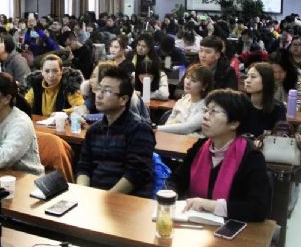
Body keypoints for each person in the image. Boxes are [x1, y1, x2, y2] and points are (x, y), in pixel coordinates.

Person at [166, 89, 270, 222]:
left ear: (234, 123)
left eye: (213, 112)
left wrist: (211, 205)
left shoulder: (251, 157)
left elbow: (258, 208)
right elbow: (177, 179)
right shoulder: (200, 146)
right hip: (195, 222)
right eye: (206, 110)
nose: (205, 116)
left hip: (233, 227)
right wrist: (171, 192)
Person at [77, 67, 156, 198]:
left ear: (123, 99)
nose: (99, 95)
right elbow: (84, 166)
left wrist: (106, 198)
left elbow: (136, 174)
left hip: (127, 200)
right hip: (94, 197)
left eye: (107, 91)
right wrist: (83, 194)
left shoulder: (140, 129)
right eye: (99, 89)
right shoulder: (94, 130)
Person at [81, 61, 150, 122]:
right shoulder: (94, 92)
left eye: (94, 76)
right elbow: (86, 106)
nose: (91, 80)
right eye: (92, 76)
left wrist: (86, 116)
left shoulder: (127, 97)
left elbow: (116, 117)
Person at [158, 64, 212, 135]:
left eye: (194, 81)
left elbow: (187, 127)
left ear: (204, 86)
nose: (188, 82)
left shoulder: (206, 107)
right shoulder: (183, 100)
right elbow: (169, 122)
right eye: (187, 77)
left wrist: (156, 128)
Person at [243, 63, 286, 137]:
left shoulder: (278, 108)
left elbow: (281, 136)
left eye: (253, 77)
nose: (247, 80)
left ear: (266, 81)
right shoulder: (240, 104)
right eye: (247, 76)